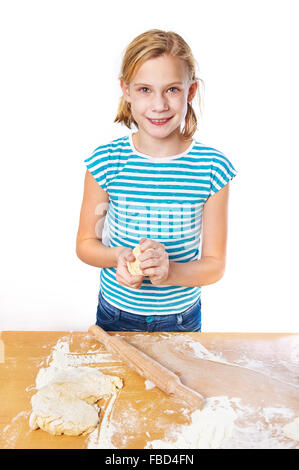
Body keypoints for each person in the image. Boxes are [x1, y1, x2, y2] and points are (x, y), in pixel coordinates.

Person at [76, 29, 238, 332]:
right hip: (116, 314)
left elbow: (214, 265)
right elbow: (86, 244)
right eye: (145, 89)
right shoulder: (106, 162)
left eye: (172, 90)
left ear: (190, 92)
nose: (159, 104)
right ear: (126, 91)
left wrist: (169, 272)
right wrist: (117, 256)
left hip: (181, 319)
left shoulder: (212, 168)